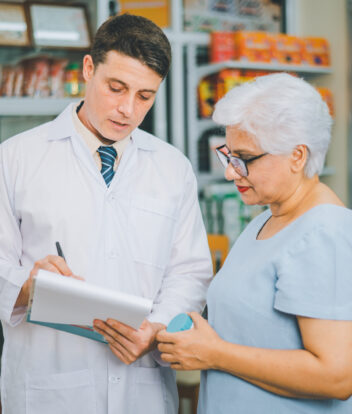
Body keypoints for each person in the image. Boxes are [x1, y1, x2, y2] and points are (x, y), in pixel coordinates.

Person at [0, 13, 212, 414]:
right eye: (116, 88)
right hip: (50, 388)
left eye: (145, 96)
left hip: (143, 390)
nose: (128, 109)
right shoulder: (16, 158)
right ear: (88, 68)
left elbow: (190, 272)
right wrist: (28, 285)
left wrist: (157, 330)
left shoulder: (172, 168)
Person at [157, 73, 352, 413]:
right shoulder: (265, 219)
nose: (231, 172)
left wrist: (215, 354)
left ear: (297, 156)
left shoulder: (324, 234)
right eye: (228, 155)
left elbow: (338, 375)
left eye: (244, 158)